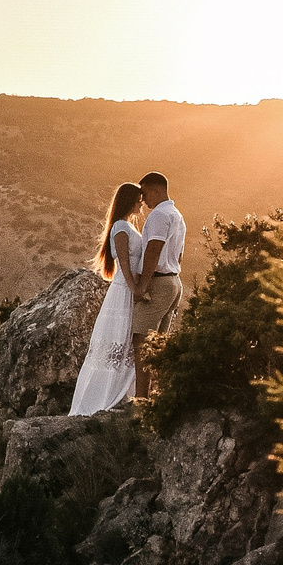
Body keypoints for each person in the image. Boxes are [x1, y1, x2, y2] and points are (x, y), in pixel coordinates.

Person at [68, 181, 147, 415]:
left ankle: (121, 392)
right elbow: (123, 263)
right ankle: (103, 396)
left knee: (125, 343)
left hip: (128, 289)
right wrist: (135, 289)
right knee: (117, 340)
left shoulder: (127, 227)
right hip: (123, 291)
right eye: (139, 198)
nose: (141, 202)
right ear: (130, 200)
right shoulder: (121, 227)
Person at [130, 170, 186, 398]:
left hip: (160, 284)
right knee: (158, 344)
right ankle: (159, 396)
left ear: (156, 190)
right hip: (174, 282)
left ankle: (141, 398)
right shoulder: (176, 214)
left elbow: (153, 249)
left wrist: (142, 286)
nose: (142, 199)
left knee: (141, 340)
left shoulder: (159, 216)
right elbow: (180, 254)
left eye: (144, 193)